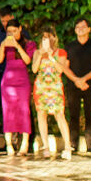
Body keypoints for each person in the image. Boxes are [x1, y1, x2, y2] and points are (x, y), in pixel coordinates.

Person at [63, 18, 91, 154]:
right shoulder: (69, 46)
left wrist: (84, 80)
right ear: (75, 30)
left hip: (90, 86)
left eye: (83, 27)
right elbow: (65, 67)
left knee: (90, 115)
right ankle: (73, 144)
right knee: (74, 115)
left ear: (88, 29)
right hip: (73, 86)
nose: (80, 29)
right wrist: (76, 80)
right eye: (77, 27)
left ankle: (90, 144)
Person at [0, 19, 35, 156]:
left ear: (20, 29)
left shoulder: (28, 44)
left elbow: (28, 61)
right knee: (8, 111)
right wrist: (4, 45)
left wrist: (17, 45)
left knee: (24, 110)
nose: (11, 33)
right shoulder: (4, 44)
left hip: (22, 80)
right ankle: (9, 144)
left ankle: (24, 144)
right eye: (9, 31)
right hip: (7, 81)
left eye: (14, 31)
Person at [31, 27, 72, 159]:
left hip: (54, 87)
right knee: (41, 115)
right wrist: (41, 54)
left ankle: (67, 146)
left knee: (59, 115)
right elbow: (34, 69)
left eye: (49, 37)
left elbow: (60, 70)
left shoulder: (61, 53)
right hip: (41, 86)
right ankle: (46, 146)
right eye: (44, 38)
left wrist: (50, 55)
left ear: (55, 38)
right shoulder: (37, 52)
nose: (47, 40)